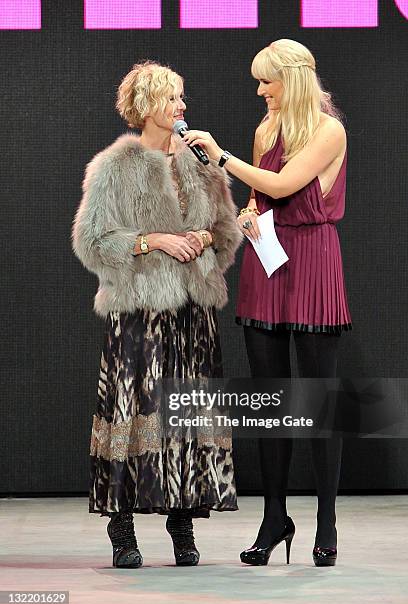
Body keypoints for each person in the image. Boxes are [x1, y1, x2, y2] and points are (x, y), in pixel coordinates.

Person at [182, 39, 352, 567]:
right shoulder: (265, 128)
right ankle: (275, 518)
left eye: (266, 81)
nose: (260, 90)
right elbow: (265, 194)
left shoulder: (329, 130)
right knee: (270, 401)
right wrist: (250, 213)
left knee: (319, 401)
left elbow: (285, 181)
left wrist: (222, 157)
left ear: (292, 79)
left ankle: (326, 521)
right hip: (268, 262)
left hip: (314, 263)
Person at [72, 61, 241, 568]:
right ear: (146, 106)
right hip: (139, 312)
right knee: (131, 416)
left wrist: (204, 237)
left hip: (193, 314)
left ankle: (182, 523)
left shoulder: (202, 163)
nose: (181, 107)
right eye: (172, 98)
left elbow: (228, 233)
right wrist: (153, 240)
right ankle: (122, 527)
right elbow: (92, 241)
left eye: (182, 98)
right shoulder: (113, 167)